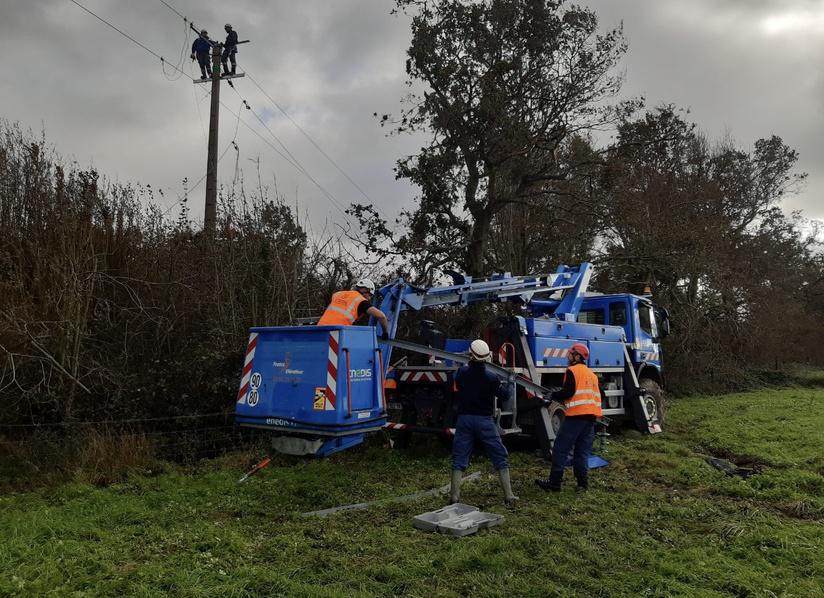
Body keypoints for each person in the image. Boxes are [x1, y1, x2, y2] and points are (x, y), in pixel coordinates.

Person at [449, 339, 518, 505]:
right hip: (485, 421)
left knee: (459, 458)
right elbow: (505, 396)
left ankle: (454, 497)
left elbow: (456, 385)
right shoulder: (491, 377)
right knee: (499, 456)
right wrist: (510, 382)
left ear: (470, 355)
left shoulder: (462, 373)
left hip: (464, 420)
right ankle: (509, 496)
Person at [535, 342, 604, 492]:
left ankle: (554, 484)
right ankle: (582, 484)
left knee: (560, 449)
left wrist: (552, 395)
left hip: (576, 417)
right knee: (581, 451)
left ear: (577, 356)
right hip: (590, 419)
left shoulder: (572, 371)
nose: (568, 356)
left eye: (570, 353)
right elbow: (601, 394)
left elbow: (568, 392)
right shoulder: (591, 374)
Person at [317, 279, 390, 337]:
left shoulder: (338, 294)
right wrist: (385, 333)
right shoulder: (361, 301)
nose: (369, 298)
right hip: (336, 333)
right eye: (370, 295)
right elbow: (382, 316)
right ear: (366, 291)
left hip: (319, 329)